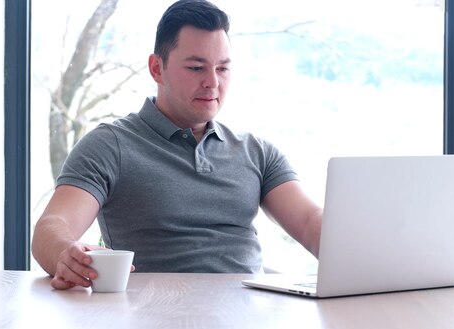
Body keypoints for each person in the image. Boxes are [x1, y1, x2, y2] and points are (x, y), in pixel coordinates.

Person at [31, 0, 322, 290]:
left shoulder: (257, 152)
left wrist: (359, 249)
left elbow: (310, 222)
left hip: (248, 314)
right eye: (196, 68)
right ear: (157, 69)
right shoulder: (109, 145)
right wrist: (66, 255)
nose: (212, 82)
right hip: (154, 314)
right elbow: (52, 227)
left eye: (222, 69)